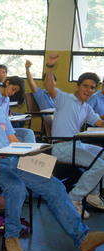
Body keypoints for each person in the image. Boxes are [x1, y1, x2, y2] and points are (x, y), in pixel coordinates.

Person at [0, 18, 104, 251]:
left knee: (54, 185)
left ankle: (82, 238)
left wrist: (34, 151)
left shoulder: (0, 111)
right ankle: (11, 236)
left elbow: (12, 138)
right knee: (16, 187)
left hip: (13, 159)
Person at [44, 53, 104, 218]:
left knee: (103, 155)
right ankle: (74, 198)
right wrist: (50, 66)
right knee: (99, 165)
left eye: (92, 87)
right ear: (77, 87)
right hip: (61, 146)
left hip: (77, 144)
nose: (89, 90)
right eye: (86, 86)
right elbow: (49, 88)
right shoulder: (65, 99)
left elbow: (99, 123)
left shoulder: (86, 107)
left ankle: (93, 194)